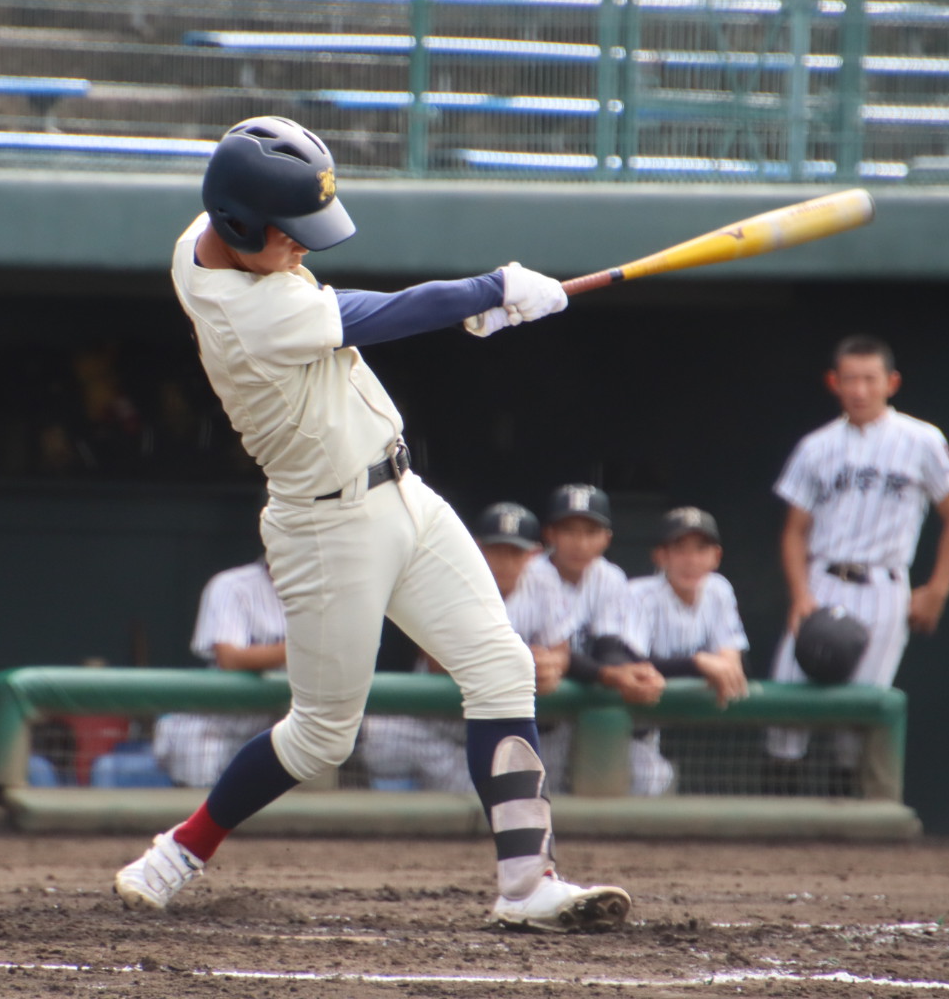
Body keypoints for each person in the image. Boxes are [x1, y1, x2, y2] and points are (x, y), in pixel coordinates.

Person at [113, 115, 631, 934]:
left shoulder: (206, 234)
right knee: (321, 738)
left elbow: (359, 310)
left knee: (502, 668)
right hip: (327, 527)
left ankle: (528, 883)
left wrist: (479, 310)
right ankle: (181, 847)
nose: (305, 249)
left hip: (404, 494)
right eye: (291, 234)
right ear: (242, 223)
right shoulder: (246, 315)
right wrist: (492, 290)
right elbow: (374, 313)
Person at [766, 335, 949, 776]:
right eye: (850, 380)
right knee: (786, 702)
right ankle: (777, 831)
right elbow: (794, 533)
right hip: (823, 580)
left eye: (869, 379)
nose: (859, 389)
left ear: (891, 382)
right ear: (833, 383)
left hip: (884, 585)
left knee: (858, 720)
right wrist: (801, 595)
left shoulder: (921, 439)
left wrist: (938, 589)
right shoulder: (816, 446)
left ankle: (857, 837)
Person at [360, 502, 571, 793]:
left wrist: (553, 664)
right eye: (497, 550)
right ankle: (393, 827)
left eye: (515, 552)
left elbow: (561, 650)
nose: (505, 561)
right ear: (476, 547)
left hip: (503, 734)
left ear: (533, 554)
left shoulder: (545, 582)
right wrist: (518, 667)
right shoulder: (448, 577)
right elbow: (435, 660)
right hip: (438, 727)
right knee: (383, 733)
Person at [626, 506, 750, 796]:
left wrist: (726, 663)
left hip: (648, 730)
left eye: (700, 549)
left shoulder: (719, 590)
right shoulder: (638, 594)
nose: (691, 560)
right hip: (608, 723)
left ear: (715, 557)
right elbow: (631, 662)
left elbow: (730, 657)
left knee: (654, 782)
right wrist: (699, 663)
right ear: (661, 556)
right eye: (679, 549)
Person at [152, 555, 287, 787]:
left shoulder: (335, 589)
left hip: (282, 724)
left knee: (371, 729)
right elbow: (230, 658)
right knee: (199, 743)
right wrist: (307, 648)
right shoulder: (232, 585)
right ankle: (199, 820)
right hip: (219, 723)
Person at [526, 484, 665, 707]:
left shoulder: (609, 577)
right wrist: (611, 674)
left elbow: (608, 646)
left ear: (606, 539)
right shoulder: (529, 574)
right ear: (550, 534)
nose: (580, 544)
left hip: (581, 706)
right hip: (535, 706)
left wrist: (626, 671)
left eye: (591, 532)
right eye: (569, 531)